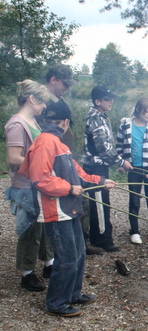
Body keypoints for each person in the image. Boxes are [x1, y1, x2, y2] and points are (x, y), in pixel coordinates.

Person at [19, 101, 116, 317]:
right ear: (64, 122)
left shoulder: (58, 143)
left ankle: (73, 293)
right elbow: (39, 179)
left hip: (69, 207)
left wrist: (100, 180)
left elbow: (78, 174)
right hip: (56, 209)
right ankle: (56, 302)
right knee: (67, 257)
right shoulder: (46, 143)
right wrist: (69, 188)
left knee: (79, 253)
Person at [4, 80, 54, 292]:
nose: (44, 107)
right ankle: (26, 274)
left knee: (43, 224)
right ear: (32, 99)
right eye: (42, 102)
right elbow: (14, 158)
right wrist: (39, 164)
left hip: (37, 183)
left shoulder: (33, 121)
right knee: (29, 229)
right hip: (25, 186)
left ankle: (49, 264)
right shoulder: (17, 124)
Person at [83, 86, 133, 252]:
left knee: (103, 202)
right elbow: (103, 148)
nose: (111, 101)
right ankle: (101, 240)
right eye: (107, 99)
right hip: (94, 168)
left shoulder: (101, 116)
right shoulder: (96, 118)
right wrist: (121, 163)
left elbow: (107, 147)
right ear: (97, 102)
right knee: (99, 203)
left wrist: (116, 163)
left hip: (100, 166)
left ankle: (101, 237)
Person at [116, 97, 148, 245]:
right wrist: (121, 164)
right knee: (134, 201)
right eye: (146, 112)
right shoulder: (125, 125)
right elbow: (119, 145)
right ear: (138, 110)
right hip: (133, 168)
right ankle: (134, 231)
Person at [35, 64, 77, 152]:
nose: (68, 88)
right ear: (53, 80)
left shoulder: (60, 101)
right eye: (65, 84)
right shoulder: (40, 103)